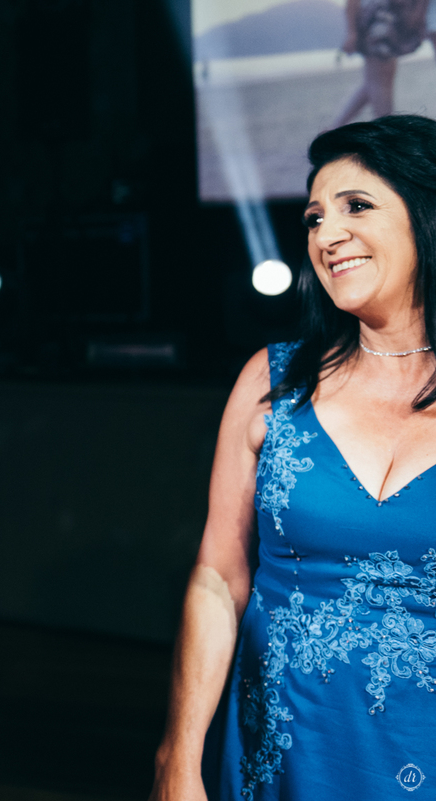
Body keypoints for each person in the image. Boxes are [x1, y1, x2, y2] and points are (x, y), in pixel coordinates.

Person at [152, 113, 436, 799]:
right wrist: (178, 756)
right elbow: (218, 576)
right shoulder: (272, 383)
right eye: (313, 218)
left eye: (357, 206)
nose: (327, 236)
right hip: (285, 750)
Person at [331, 0, 426, 128]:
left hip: (389, 16)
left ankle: (334, 129)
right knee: (379, 82)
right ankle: (387, 131)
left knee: (376, 81)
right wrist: (351, 32)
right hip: (380, 18)